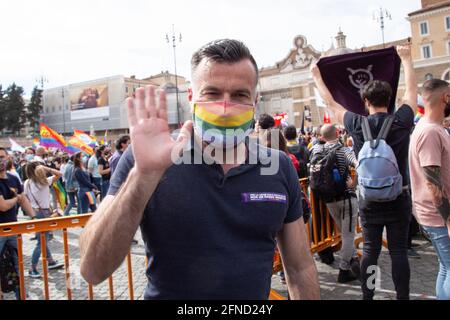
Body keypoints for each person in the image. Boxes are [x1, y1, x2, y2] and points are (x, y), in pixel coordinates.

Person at [80, 39, 320, 300]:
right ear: (192, 97)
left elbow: (299, 268)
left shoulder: (278, 166)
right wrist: (144, 175)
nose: (225, 107)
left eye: (239, 94)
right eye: (212, 93)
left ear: (255, 100)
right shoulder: (148, 157)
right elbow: (93, 270)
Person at [312, 45, 417, 300]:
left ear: (365, 102)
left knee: (370, 251)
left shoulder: (356, 124)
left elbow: (331, 103)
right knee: (398, 252)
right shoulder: (402, 120)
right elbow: (411, 92)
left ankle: (368, 296)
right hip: (399, 196)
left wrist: (316, 76)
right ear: (389, 98)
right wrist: (406, 59)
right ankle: (402, 296)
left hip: (368, 199)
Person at [409, 79, 450, 300]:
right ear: (445, 97)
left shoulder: (432, 128)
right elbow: (432, 182)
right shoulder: (430, 132)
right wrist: (449, 219)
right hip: (439, 217)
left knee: (446, 267)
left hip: (436, 216)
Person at [309, 124, 360, 283]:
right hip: (346, 197)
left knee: (345, 235)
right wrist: (354, 182)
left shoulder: (316, 150)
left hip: (329, 200)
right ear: (338, 133)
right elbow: (358, 164)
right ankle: (344, 270)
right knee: (348, 235)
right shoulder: (345, 150)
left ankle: (353, 261)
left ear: (322, 137)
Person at [0, 147, 34, 298]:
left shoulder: (13, 178)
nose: (0, 160)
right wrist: (16, 199)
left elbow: (24, 198)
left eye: (2, 157)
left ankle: (21, 296)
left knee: (17, 265)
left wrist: (35, 218)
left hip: (13, 230)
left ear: (8, 158)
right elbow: (3, 206)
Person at [24, 162, 64, 278]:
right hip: (44, 213)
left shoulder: (26, 183)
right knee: (41, 242)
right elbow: (59, 174)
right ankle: (32, 268)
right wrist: (46, 168)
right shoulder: (43, 182)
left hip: (34, 212)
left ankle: (50, 261)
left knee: (42, 239)